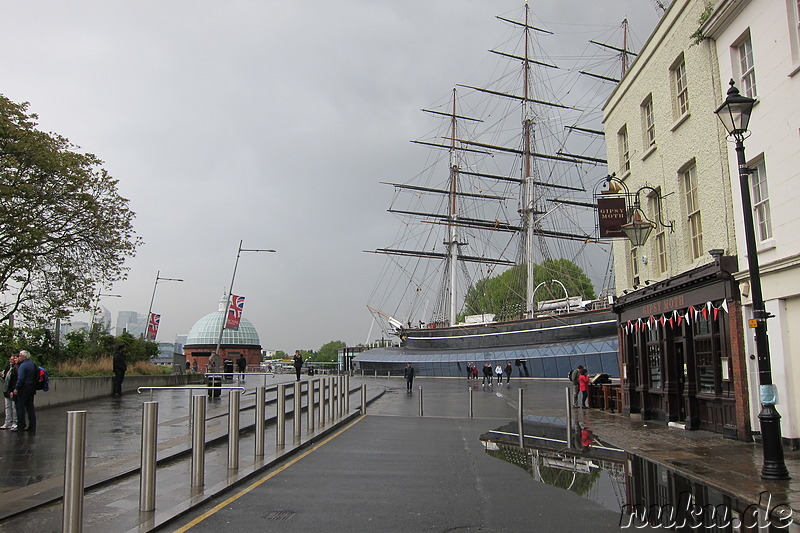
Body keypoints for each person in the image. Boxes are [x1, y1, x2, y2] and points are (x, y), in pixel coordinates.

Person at [12, 350, 36, 432]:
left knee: (20, 407)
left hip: (23, 388)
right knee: (30, 407)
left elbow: (20, 378)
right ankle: (32, 425)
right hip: (31, 387)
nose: (18, 357)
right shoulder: (32, 364)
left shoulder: (23, 366)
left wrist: (16, 388)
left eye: (19, 356)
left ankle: (21, 425)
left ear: (24, 357)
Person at [2, 354, 18, 430]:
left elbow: (15, 380)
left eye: (13, 359)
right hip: (6, 390)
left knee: (14, 407)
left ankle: (14, 422)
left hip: (12, 390)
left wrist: (13, 390)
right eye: (10, 359)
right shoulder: (8, 367)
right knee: (7, 406)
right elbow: (5, 376)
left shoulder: (16, 369)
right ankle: (7, 422)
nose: (11, 361)